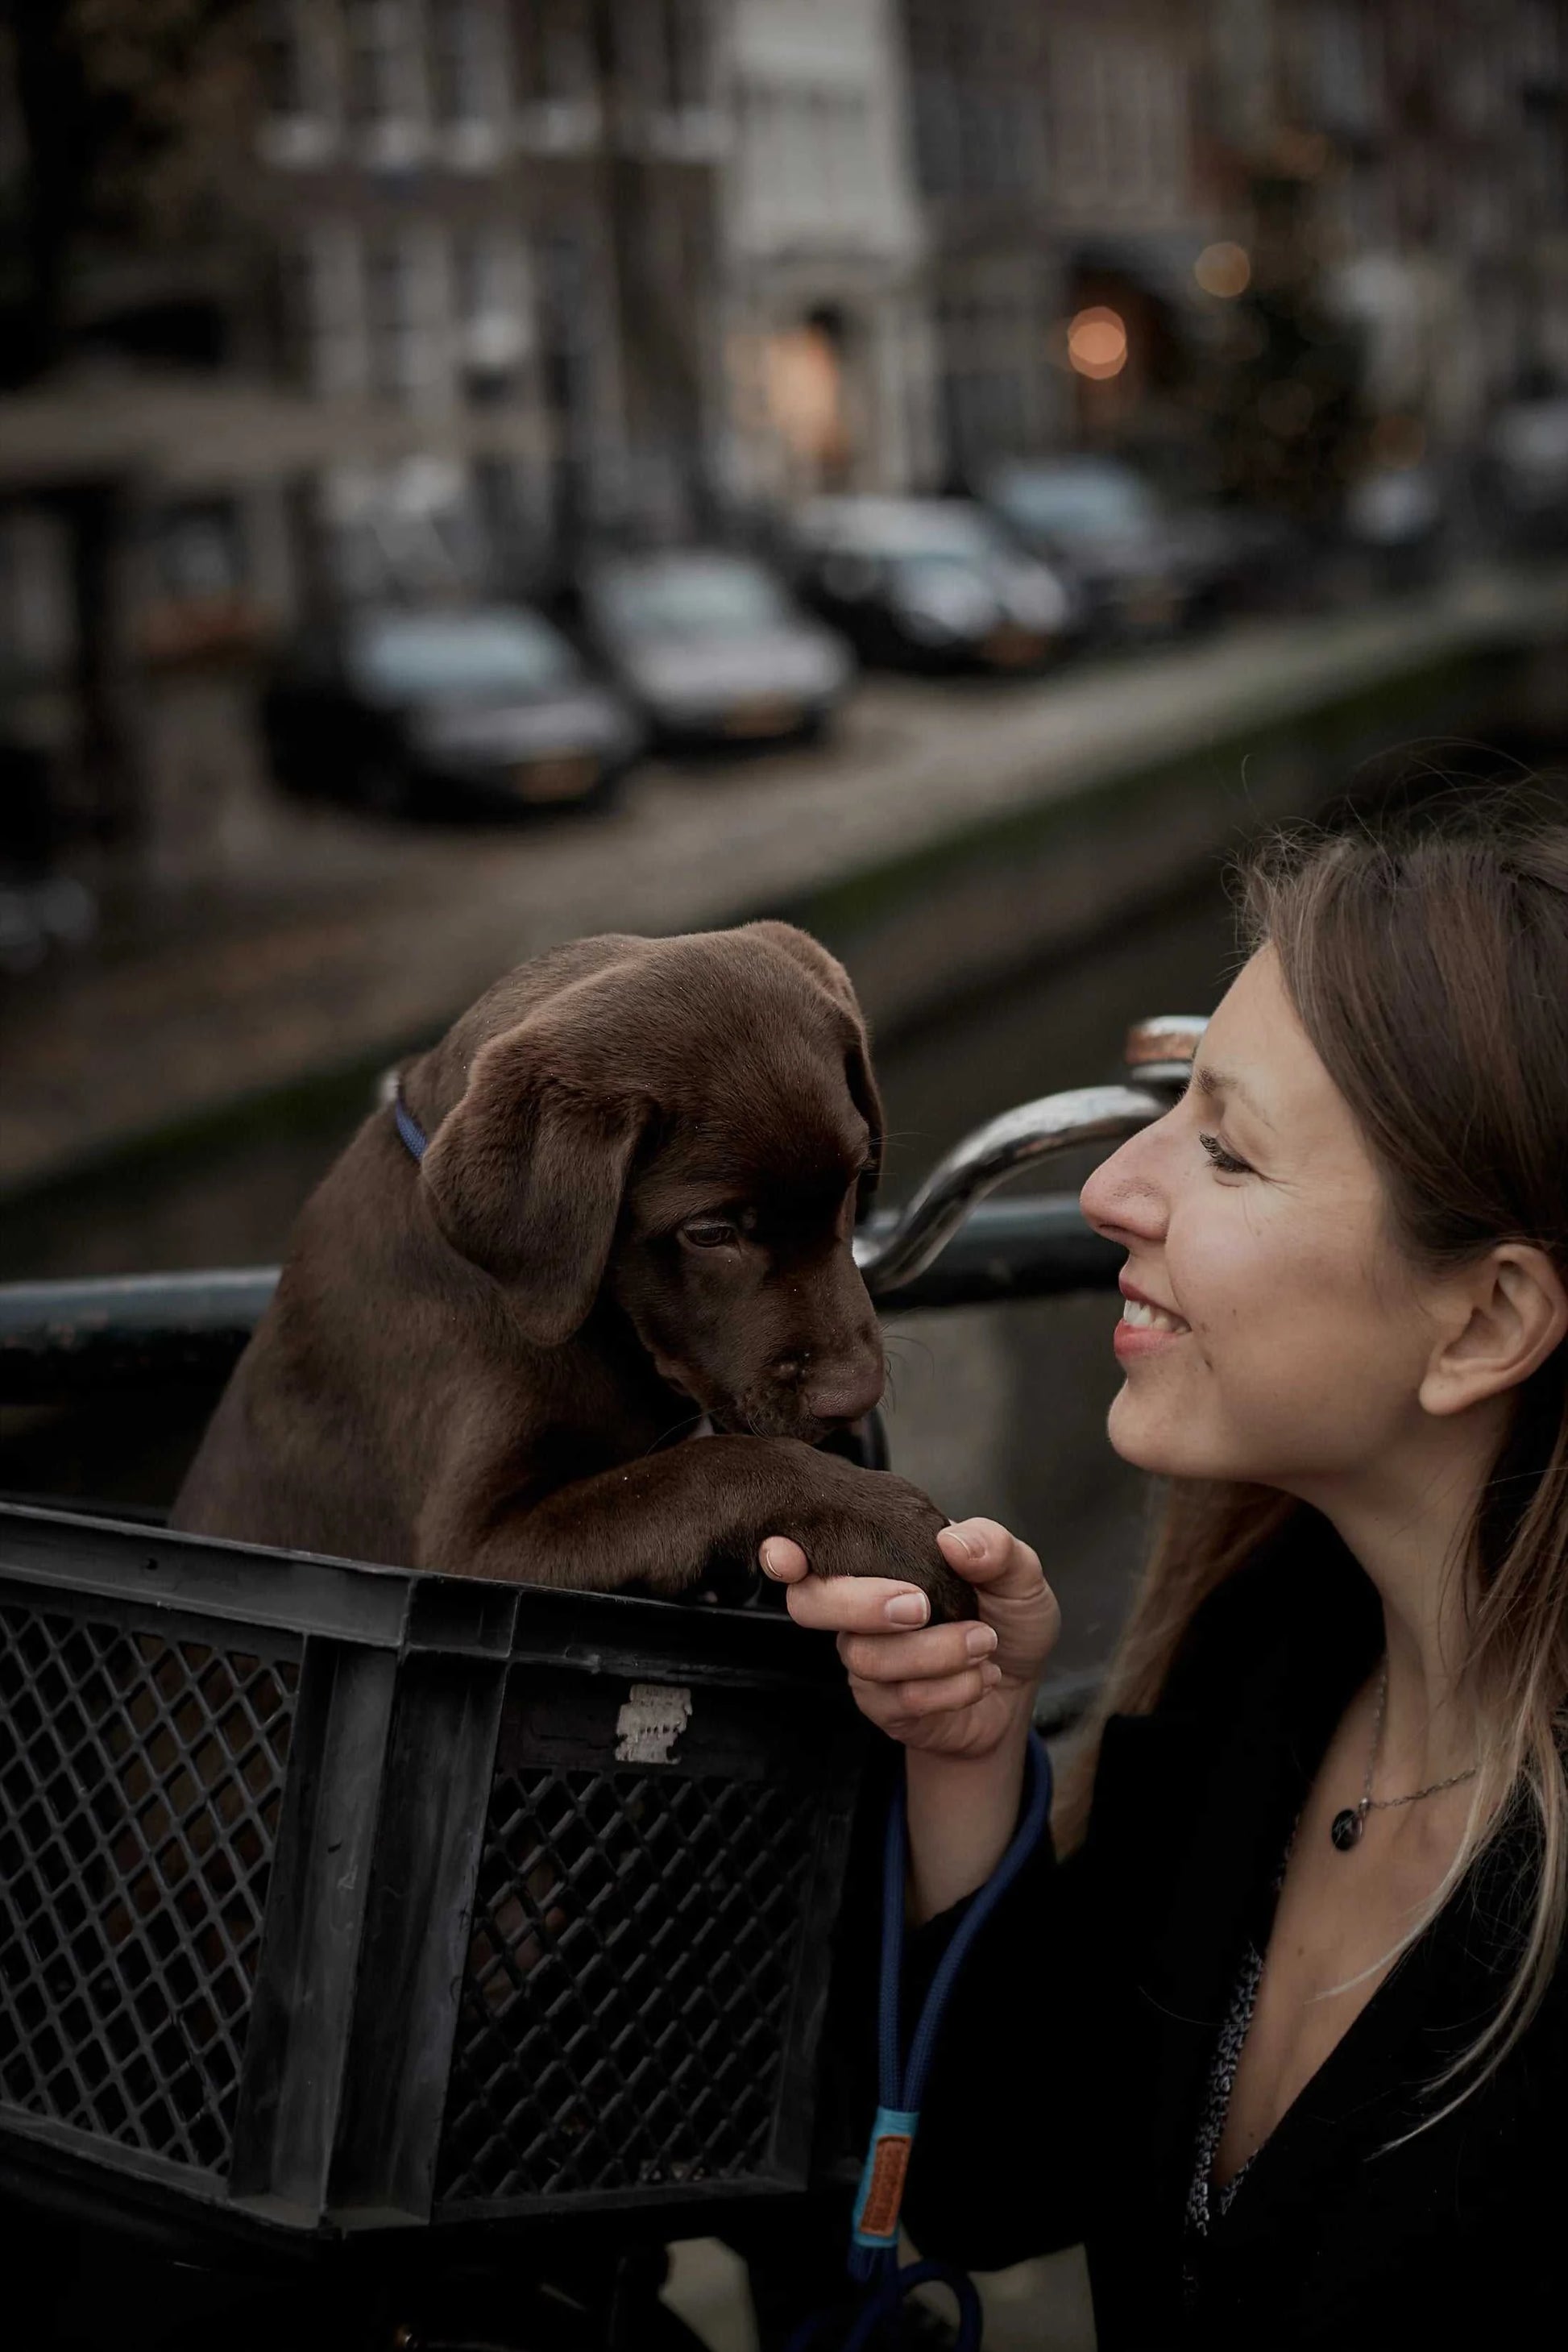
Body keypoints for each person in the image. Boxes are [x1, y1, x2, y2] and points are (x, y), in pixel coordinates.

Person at [759, 811, 1568, 2347]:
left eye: (1222, 1147)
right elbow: (995, 2183)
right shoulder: (1268, 1652)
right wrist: (971, 1758)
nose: (1107, 1194)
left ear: (1479, 1325)